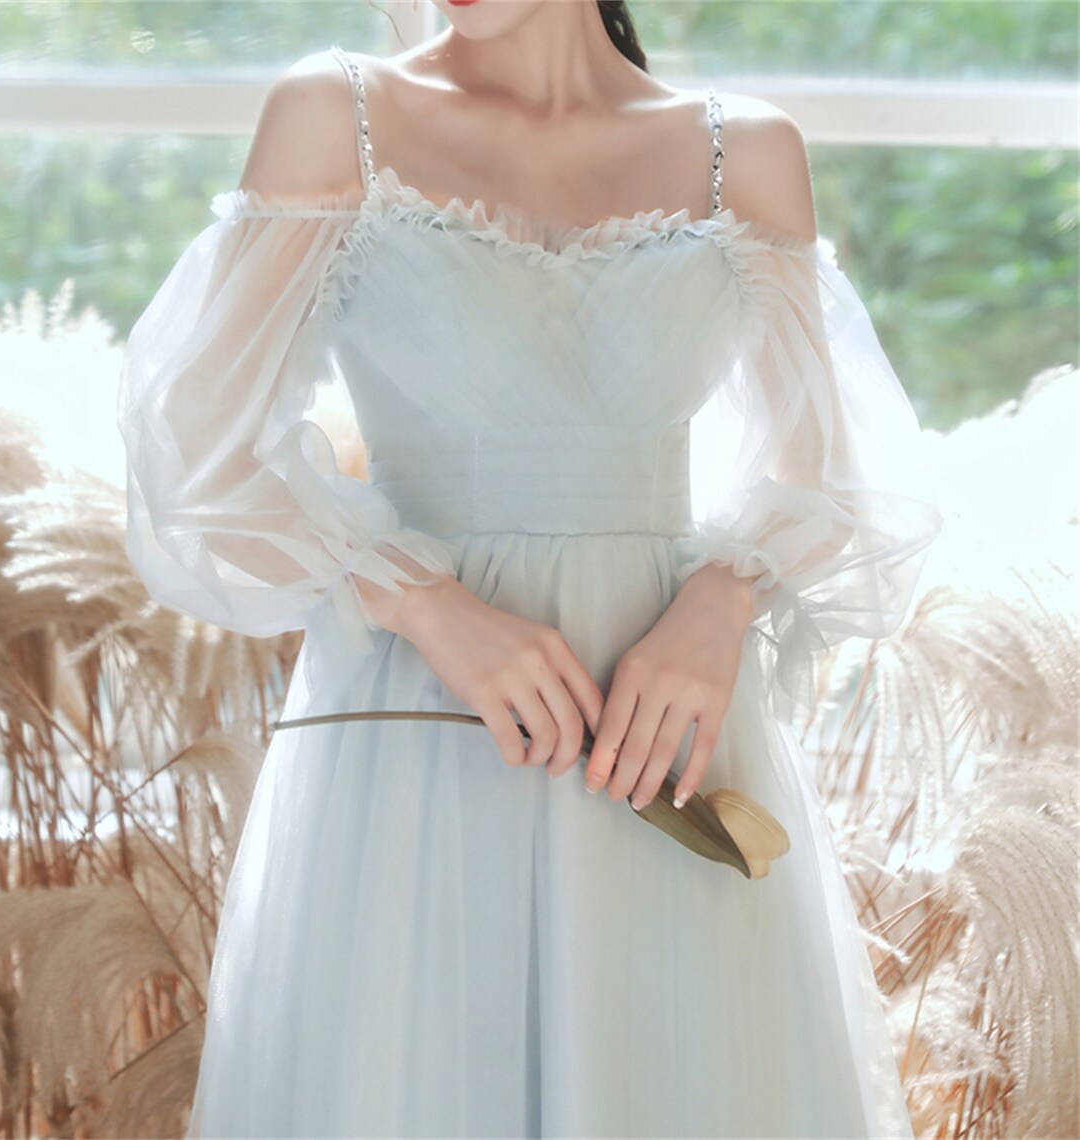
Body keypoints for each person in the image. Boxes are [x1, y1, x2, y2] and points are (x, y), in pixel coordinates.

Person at [117, 1, 940, 1135]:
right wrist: (424, 602)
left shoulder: (744, 153)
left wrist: (723, 596)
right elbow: (194, 458)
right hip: (418, 738)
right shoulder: (338, 116)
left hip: (666, 738)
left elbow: (833, 484)